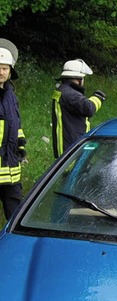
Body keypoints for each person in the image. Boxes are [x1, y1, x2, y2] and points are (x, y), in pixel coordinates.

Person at [51, 59, 106, 158]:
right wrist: (98, 97)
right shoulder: (71, 95)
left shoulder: (63, 91)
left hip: (67, 144)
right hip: (71, 147)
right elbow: (89, 108)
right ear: (79, 79)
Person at [0, 39, 26, 220]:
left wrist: (21, 146)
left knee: (15, 214)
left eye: (4, 68)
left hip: (10, 167)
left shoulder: (11, 96)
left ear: (10, 72)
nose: (0, 72)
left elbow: (16, 124)